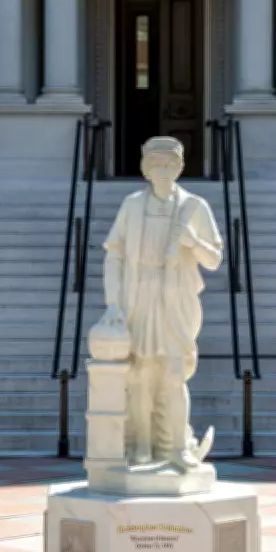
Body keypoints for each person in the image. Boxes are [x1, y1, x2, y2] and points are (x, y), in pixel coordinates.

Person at [99, 136, 223, 470]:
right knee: (140, 376)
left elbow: (214, 260)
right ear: (146, 170)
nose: (163, 170)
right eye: (157, 164)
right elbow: (115, 254)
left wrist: (192, 241)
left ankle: (176, 447)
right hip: (139, 297)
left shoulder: (194, 207)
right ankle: (141, 446)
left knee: (173, 375)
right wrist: (113, 304)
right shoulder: (132, 206)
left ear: (180, 168)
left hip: (176, 300)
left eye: (170, 164)